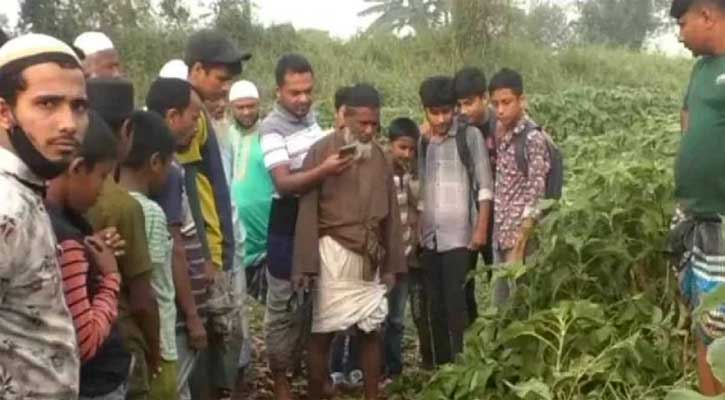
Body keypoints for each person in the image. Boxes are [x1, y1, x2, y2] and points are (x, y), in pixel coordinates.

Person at [294, 83, 405, 400]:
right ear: (345, 118)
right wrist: (305, 265)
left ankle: (372, 396)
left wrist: (392, 264)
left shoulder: (381, 158)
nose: (369, 131)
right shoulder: (322, 151)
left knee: (370, 331)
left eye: (374, 124)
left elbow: (392, 215)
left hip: (369, 256)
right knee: (323, 334)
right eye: (363, 124)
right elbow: (307, 209)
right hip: (332, 253)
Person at [0, 32, 88, 399]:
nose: (68, 122)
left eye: (79, 106)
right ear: (5, 113)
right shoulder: (8, 207)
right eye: (48, 104)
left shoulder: (26, 191)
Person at [259, 53, 351, 400]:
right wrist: (325, 170)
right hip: (286, 224)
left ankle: (315, 376)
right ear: (278, 91)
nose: (302, 99)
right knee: (283, 306)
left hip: (315, 222)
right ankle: (281, 379)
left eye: (308, 91)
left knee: (315, 300)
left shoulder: (312, 121)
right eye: (294, 92)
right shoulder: (271, 129)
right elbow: (283, 183)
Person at [181, 29, 250, 400]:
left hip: (214, 248)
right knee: (207, 343)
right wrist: (207, 254)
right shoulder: (188, 116)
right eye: (221, 80)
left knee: (221, 338)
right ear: (196, 70)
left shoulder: (204, 115)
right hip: (201, 253)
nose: (226, 89)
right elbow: (189, 189)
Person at [46, 111, 133, 399]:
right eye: (103, 176)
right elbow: (84, 343)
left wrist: (92, 249)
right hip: (94, 384)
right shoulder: (64, 238)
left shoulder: (55, 218)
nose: (103, 190)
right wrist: (110, 276)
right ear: (78, 168)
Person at [85, 78, 162, 400]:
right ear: (128, 129)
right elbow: (143, 299)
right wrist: (154, 350)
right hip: (120, 344)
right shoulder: (123, 205)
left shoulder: (52, 193)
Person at [418, 76, 493, 365]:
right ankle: (441, 366)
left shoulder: (469, 136)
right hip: (430, 237)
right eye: (434, 113)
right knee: (434, 305)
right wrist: (417, 230)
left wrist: (481, 228)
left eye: (446, 112)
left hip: (460, 236)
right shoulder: (424, 141)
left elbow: (485, 187)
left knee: (456, 304)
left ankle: (461, 365)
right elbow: (422, 186)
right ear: (424, 110)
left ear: (454, 109)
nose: (440, 119)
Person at [671, 0, 725, 395]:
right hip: (697, 222)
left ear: (707, 15)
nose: (679, 33)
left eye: (683, 22)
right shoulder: (701, 69)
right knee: (706, 323)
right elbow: (687, 122)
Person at [145, 77, 211, 400]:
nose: (197, 126)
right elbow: (175, 249)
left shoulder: (153, 164)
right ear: (172, 116)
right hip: (177, 314)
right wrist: (194, 316)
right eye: (194, 117)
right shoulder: (166, 171)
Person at [118, 111, 178, 400]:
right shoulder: (151, 212)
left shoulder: (110, 203)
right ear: (155, 162)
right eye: (169, 163)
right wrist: (157, 349)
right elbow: (149, 290)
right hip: (155, 343)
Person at [489, 69, 550, 303]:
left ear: (521, 100)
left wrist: (519, 247)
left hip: (521, 242)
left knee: (521, 307)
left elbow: (535, 198)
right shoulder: (500, 131)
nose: (501, 109)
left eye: (506, 102)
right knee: (500, 307)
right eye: (496, 103)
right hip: (501, 235)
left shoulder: (532, 139)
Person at [383, 117, 431, 382]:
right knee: (381, 317)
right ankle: (379, 366)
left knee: (398, 318)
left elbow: (419, 209)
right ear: (389, 144)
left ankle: (394, 368)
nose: (407, 154)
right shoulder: (381, 174)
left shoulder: (413, 176)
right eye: (402, 148)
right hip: (387, 259)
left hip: (408, 257)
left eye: (411, 150)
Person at [453, 66, 498, 322]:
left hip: (500, 214)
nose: (464, 111)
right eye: (459, 105)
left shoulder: (500, 124)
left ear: (484, 98)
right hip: (467, 211)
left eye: (469, 103)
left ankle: (499, 327)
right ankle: (471, 327)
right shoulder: (458, 127)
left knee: (498, 274)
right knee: (465, 276)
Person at [227, 80, 274, 296]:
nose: (246, 112)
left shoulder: (270, 136)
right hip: (236, 244)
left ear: (259, 105)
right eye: (240, 107)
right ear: (231, 108)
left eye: (251, 106)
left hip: (267, 244)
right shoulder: (226, 136)